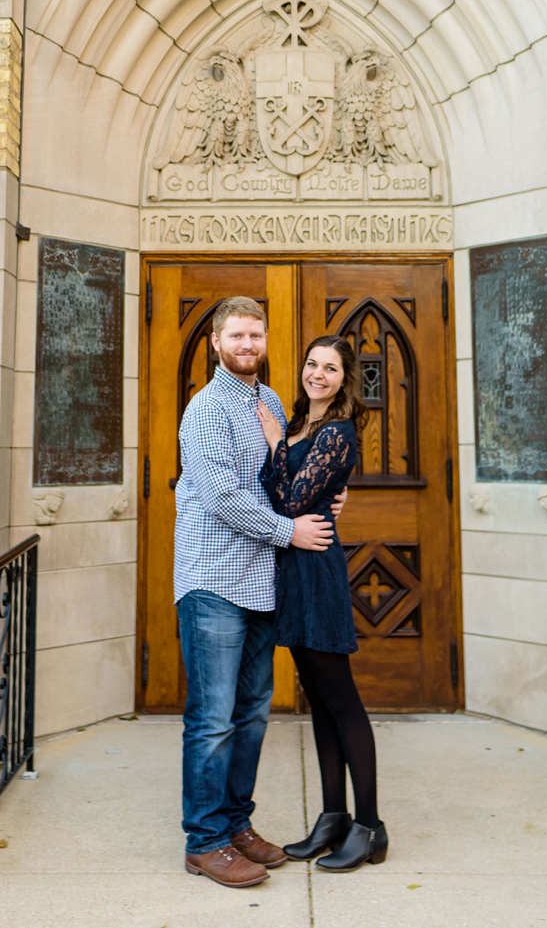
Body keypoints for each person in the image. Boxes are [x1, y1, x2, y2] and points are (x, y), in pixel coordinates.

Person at [174, 298, 338, 887]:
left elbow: (283, 480)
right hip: (214, 579)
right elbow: (220, 499)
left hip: (263, 581)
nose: (248, 344)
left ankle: (237, 825)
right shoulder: (204, 409)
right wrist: (288, 530)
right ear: (216, 342)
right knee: (212, 719)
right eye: (237, 335)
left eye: (256, 335)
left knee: (251, 714)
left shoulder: (269, 401)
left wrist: (322, 500)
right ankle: (205, 840)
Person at [255, 335, 388, 871]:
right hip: (292, 570)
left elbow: (286, 500)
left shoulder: (336, 431)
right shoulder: (295, 424)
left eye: (330, 368)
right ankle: (333, 818)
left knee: (343, 699)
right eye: (311, 363)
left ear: (344, 379)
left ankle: (370, 826)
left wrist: (272, 450)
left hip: (318, 570)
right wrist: (281, 445)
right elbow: (283, 498)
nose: (318, 374)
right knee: (319, 698)